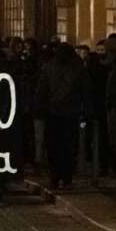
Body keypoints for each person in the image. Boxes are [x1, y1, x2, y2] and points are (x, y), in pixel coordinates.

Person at [35, 43, 91, 190]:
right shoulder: (78, 68)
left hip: (52, 113)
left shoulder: (48, 67)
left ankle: (54, 177)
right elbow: (85, 92)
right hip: (71, 113)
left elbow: (42, 91)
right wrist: (86, 112)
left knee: (53, 147)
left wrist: (40, 109)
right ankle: (66, 178)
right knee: (69, 147)